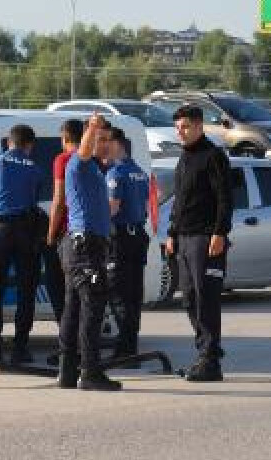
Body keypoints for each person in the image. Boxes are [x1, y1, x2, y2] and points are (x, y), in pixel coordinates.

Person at [166, 104, 233, 382]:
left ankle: (210, 360)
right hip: (183, 238)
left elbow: (225, 199)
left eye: (185, 127)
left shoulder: (213, 156)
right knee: (189, 299)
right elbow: (180, 200)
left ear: (199, 126)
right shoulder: (184, 158)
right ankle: (204, 353)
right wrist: (171, 232)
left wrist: (220, 232)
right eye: (178, 127)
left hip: (206, 239)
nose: (180, 132)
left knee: (206, 299)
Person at [58, 113, 122, 392]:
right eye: (101, 139)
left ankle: (67, 371)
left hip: (83, 244)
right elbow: (83, 150)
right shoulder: (80, 164)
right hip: (85, 247)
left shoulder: (95, 169)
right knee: (92, 310)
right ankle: (90, 373)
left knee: (73, 310)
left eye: (109, 140)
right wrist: (93, 127)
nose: (106, 144)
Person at [0, 124, 42, 364]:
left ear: (8, 142)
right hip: (25, 231)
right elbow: (33, 198)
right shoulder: (35, 167)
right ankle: (20, 347)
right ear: (29, 145)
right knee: (26, 290)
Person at [105, 126, 150, 361]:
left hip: (120, 238)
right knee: (133, 296)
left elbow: (112, 208)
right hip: (138, 237)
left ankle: (123, 351)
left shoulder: (115, 174)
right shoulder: (139, 172)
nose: (102, 148)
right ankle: (131, 347)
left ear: (117, 144)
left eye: (106, 143)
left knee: (118, 295)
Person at [44, 119, 85, 323]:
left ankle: (68, 344)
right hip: (91, 232)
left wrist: (50, 235)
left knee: (61, 289)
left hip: (68, 232)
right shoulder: (92, 159)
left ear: (65, 138)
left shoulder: (63, 159)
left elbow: (59, 201)